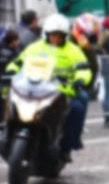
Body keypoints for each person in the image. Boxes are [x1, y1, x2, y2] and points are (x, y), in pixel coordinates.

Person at [7, 13, 92, 162]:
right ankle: (7, 132)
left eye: (59, 35)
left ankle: (68, 145)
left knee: (78, 106)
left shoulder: (73, 50)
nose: (56, 38)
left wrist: (79, 80)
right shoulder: (35, 47)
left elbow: (83, 69)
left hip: (61, 91)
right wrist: (11, 70)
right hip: (34, 88)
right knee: (10, 99)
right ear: (46, 34)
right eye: (53, 35)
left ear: (65, 35)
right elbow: (19, 62)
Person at [71, 13, 101, 99]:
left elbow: (94, 68)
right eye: (85, 34)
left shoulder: (89, 45)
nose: (87, 38)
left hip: (85, 84)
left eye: (91, 36)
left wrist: (89, 49)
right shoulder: (68, 44)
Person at [0, 30, 19, 121]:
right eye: (17, 40)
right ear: (13, 41)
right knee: (4, 103)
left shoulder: (9, 50)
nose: (18, 42)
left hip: (5, 83)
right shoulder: (9, 54)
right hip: (5, 84)